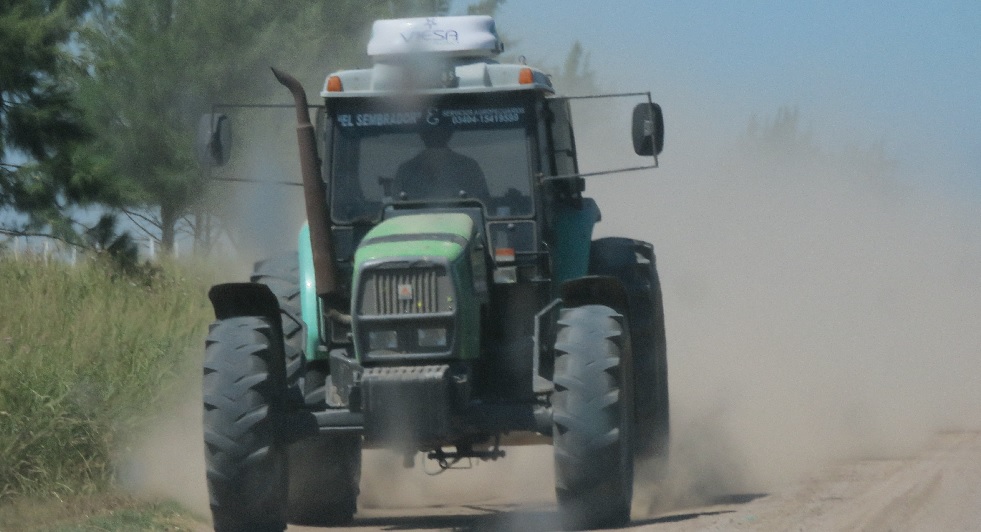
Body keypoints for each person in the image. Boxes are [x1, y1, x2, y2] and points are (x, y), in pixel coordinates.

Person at [393, 124, 490, 203]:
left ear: (449, 133)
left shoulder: (469, 167)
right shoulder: (406, 170)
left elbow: (483, 203)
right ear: (422, 135)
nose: (435, 135)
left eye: (440, 130)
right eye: (430, 131)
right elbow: (395, 204)